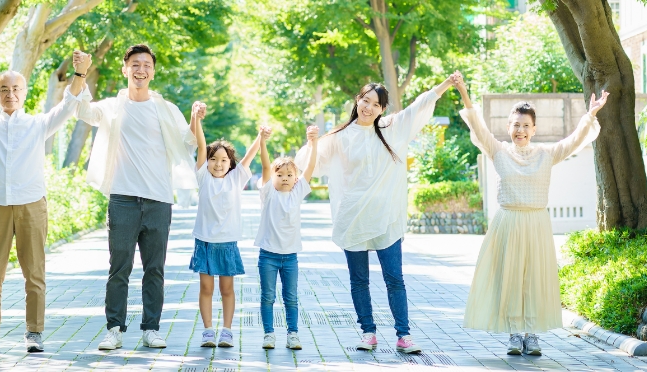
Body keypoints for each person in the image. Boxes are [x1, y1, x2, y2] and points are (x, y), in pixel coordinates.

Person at [0, 26, 90, 353]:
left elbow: (69, 104)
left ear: (24, 92)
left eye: (15, 88)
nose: (10, 93)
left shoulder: (38, 124)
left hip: (31, 207)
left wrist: (80, 72)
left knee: (34, 274)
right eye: (3, 89)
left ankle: (34, 333)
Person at [296, 73, 460, 354]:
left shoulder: (391, 128)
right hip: (353, 217)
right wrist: (312, 142)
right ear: (357, 100)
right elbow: (310, 163)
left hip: (386, 216)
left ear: (383, 108)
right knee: (359, 280)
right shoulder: (340, 136)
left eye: (375, 103)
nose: (368, 107)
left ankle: (403, 335)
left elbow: (419, 106)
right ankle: (368, 332)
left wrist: (446, 84)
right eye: (364, 100)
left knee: (394, 278)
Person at [453, 74, 607, 355]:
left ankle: (532, 335)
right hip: (508, 222)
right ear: (508, 127)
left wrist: (590, 114)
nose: (520, 130)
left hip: (536, 222)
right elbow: (477, 123)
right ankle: (514, 334)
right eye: (516, 125)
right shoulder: (497, 150)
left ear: (534, 129)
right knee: (510, 277)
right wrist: (463, 90)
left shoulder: (546, 154)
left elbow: (574, 141)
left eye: (526, 125)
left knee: (534, 278)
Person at [75, 44, 202, 350]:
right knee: (119, 268)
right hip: (122, 199)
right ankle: (114, 329)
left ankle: (151, 329)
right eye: (135, 64)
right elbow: (81, 110)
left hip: (158, 200)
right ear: (125, 69)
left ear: (153, 71)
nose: (140, 69)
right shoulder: (111, 107)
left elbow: (190, 143)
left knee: (155, 269)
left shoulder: (167, 110)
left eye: (146, 65)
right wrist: (81, 73)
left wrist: (196, 118)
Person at [189, 103, 268, 348]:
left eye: (223, 159)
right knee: (205, 287)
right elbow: (201, 144)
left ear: (230, 163)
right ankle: (208, 330)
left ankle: (227, 330)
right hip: (204, 241)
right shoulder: (202, 176)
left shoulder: (236, 179)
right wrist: (196, 118)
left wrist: (260, 137)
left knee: (226, 289)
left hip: (227, 243)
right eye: (213, 159)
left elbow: (250, 156)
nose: (218, 163)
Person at [256, 126, 318, 350]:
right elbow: (265, 164)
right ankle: (269, 334)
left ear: (295, 179)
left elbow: (310, 166)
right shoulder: (268, 192)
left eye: (290, 175)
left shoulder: (297, 193)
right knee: (268, 297)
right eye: (279, 175)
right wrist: (262, 140)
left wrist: (313, 142)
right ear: (272, 178)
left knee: (291, 297)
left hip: (290, 256)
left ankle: (293, 334)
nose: (284, 178)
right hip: (268, 256)